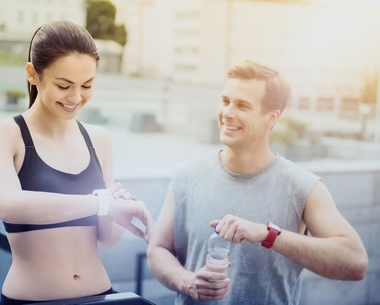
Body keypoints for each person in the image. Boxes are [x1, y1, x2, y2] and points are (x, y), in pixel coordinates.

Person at [146, 60, 368, 305]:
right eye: (225, 101)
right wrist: (186, 282)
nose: (227, 113)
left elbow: (355, 263)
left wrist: (267, 234)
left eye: (242, 105)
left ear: (271, 118)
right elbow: (158, 250)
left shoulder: (304, 187)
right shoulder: (185, 176)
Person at [0, 20, 153, 305]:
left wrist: (114, 210)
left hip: (99, 296)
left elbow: (107, 240)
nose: (76, 97)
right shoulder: (4, 132)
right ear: (32, 74)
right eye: (63, 85)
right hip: (31, 301)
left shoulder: (99, 138)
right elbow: (9, 207)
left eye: (87, 85)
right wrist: (101, 203)